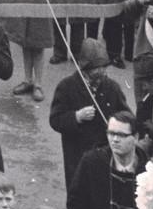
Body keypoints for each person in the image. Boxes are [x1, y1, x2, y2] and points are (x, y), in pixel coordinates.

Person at [48, 40, 126, 186]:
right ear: (85, 68)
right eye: (97, 68)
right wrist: (76, 117)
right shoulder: (66, 86)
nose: (102, 71)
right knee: (78, 196)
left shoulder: (112, 87)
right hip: (77, 156)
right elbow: (55, 119)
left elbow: (126, 116)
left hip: (105, 156)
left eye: (104, 66)